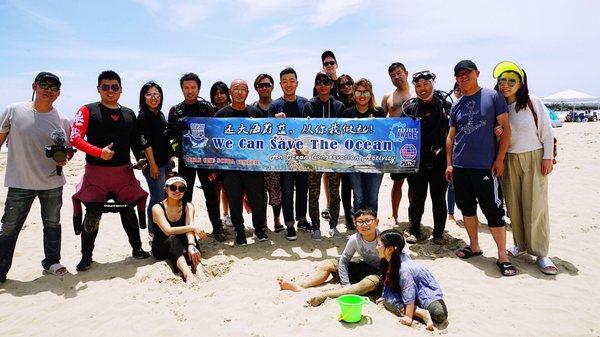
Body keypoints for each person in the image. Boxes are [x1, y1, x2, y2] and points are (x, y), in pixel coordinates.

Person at [71, 70, 150, 271]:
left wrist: (141, 158)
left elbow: (135, 142)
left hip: (123, 173)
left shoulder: (129, 113)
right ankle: (86, 257)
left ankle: (137, 249)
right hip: (96, 174)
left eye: (114, 87)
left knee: (128, 211)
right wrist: (99, 152)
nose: (110, 91)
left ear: (121, 89)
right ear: (98, 89)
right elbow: (75, 138)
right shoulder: (87, 110)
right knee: (92, 214)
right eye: (105, 87)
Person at [445, 60, 516, 277]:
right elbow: (451, 137)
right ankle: (474, 245)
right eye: (459, 75)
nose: (463, 77)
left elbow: (505, 129)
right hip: (460, 166)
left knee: (493, 211)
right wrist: (449, 163)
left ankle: (502, 255)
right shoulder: (456, 104)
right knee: (467, 208)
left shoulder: (493, 97)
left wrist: (500, 159)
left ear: (477, 73)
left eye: (467, 73)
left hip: (485, 165)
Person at [0, 72, 72, 282]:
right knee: (9, 227)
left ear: (58, 93)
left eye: (54, 87)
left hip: (52, 182)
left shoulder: (62, 119)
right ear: (34, 86)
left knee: (52, 223)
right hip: (19, 181)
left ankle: (51, 262)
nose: (49, 90)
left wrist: (63, 159)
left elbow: (67, 151)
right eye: (44, 85)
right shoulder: (13, 111)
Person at [493, 61, 557, 275]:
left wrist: (547, 156)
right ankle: (520, 244)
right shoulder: (499, 106)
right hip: (509, 159)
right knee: (514, 204)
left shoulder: (532, 101)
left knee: (536, 205)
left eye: (512, 81)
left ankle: (541, 252)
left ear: (521, 84)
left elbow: (547, 132)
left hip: (534, 157)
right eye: (503, 80)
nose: (506, 85)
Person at [277, 207, 382, 306]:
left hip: (382, 273)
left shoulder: (384, 237)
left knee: (367, 284)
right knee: (329, 263)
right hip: (366, 267)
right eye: (360, 222)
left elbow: (396, 263)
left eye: (368, 220)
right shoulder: (355, 239)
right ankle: (301, 285)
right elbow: (344, 260)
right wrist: (345, 283)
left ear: (376, 222)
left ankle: (325, 296)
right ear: (355, 224)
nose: (364, 225)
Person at [165, 73, 226, 242]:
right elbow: (167, 135)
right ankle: (185, 229)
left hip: (206, 160)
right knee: (185, 195)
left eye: (193, 87)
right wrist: (177, 127)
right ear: (182, 89)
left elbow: (216, 133)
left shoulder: (206, 108)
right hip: (186, 161)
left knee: (211, 195)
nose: (190, 91)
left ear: (198, 88)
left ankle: (218, 228)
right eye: (186, 88)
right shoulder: (175, 110)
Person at [216, 79, 268, 246]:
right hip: (231, 168)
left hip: (253, 166)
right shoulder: (221, 115)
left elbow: (266, 138)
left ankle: (259, 230)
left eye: (243, 89)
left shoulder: (256, 113)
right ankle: (240, 232)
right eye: (236, 89)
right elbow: (214, 142)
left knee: (258, 199)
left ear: (247, 93)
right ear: (230, 92)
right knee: (234, 200)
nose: (239, 92)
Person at [403, 71, 451, 245]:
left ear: (433, 84)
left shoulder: (446, 106)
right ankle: (414, 230)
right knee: (417, 198)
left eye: (425, 84)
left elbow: (455, 134)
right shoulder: (409, 109)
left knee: (439, 198)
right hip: (417, 162)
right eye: (418, 86)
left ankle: (438, 233)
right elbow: (398, 135)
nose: (422, 89)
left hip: (440, 161)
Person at [268, 67, 310, 241]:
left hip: (303, 156)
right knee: (286, 191)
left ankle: (302, 219)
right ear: (280, 84)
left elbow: (312, 131)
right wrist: (276, 122)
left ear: (297, 83)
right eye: (285, 81)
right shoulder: (274, 106)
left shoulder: (306, 103)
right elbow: (270, 133)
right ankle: (290, 224)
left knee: (302, 189)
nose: (288, 84)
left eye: (292, 80)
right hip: (284, 158)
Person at [377, 229, 447, 331]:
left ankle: (417, 309)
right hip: (403, 289)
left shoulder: (404, 268)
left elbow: (408, 290)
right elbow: (387, 280)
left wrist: (408, 316)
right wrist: (384, 295)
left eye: (379, 245)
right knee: (388, 300)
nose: (376, 247)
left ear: (390, 249)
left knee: (439, 314)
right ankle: (421, 312)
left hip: (424, 289)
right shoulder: (388, 258)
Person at [303, 71, 346, 240]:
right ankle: (315, 226)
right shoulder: (309, 105)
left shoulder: (339, 106)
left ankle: (333, 225)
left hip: (334, 157)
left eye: (325, 81)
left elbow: (344, 132)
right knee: (313, 192)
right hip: (314, 157)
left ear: (331, 85)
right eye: (319, 82)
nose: (322, 85)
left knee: (335, 192)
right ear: (315, 85)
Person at [152, 174, 206, 284]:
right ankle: (187, 273)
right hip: (163, 246)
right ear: (166, 189)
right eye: (173, 187)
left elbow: (189, 229)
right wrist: (193, 227)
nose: (177, 191)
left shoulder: (188, 206)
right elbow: (168, 230)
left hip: (182, 244)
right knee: (173, 238)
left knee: (191, 239)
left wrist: (191, 244)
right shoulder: (157, 208)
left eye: (181, 188)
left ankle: (199, 269)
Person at [343, 78, 386, 213]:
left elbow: (386, 138)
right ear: (354, 93)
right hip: (354, 164)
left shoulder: (379, 113)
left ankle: (371, 231)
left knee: (372, 197)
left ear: (371, 94)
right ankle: (360, 230)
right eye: (359, 92)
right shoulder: (347, 114)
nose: (362, 96)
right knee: (359, 197)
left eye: (365, 92)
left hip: (376, 163)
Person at [137, 81, 172, 239]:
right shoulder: (144, 116)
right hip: (154, 165)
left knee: (163, 197)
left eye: (157, 94)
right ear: (143, 97)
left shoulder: (159, 114)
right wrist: (153, 165)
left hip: (165, 162)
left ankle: (162, 229)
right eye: (149, 94)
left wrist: (169, 160)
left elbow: (163, 139)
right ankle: (153, 232)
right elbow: (146, 143)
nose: (154, 97)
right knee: (157, 198)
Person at [382, 62, 413, 225]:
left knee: (414, 184)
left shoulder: (417, 94)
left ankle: (412, 215)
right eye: (393, 75)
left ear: (406, 73)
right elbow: (380, 123)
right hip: (396, 147)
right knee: (397, 183)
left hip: (415, 145)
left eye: (399, 73)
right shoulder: (388, 97)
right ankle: (394, 215)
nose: (396, 77)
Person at [251, 74, 282, 231]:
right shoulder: (251, 108)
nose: (264, 88)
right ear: (256, 88)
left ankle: (277, 220)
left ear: (272, 86)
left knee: (276, 192)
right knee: (259, 194)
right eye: (260, 85)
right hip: (256, 159)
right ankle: (262, 222)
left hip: (275, 158)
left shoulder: (278, 107)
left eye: (267, 85)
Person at [209, 81, 233, 232]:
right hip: (214, 159)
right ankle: (219, 219)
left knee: (229, 189)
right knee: (215, 189)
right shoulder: (209, 112)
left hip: (232, 158)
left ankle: (228, 215)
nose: (219, 96)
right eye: (215, 93)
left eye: (222, 93)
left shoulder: (234, 110)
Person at [336, 74, 356, 229]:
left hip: (361, 152)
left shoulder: (360, 100)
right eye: (342, 85)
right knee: (346, 185)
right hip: (343, 151)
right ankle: (348, 217)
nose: (346, 86)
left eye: (348, 83)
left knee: (358, 185)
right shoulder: (338, 105)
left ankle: (357, 214)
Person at [447, 82, 462, 226]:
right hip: (453, 153)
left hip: (469, 154)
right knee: (451, 186)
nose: (460, 91)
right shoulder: (451, 107)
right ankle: (450, 213)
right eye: (457, 89)